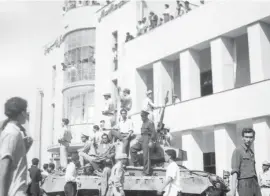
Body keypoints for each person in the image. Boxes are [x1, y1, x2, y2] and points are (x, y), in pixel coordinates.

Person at [0, 97, 32, 196]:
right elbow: (4, 166)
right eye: (25, 110)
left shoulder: (15, 132)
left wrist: (26, 147)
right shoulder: (12, 133)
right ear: (22, 112)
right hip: (15, 192)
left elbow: (15, 162)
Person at [231, 128, 262, 196]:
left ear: (253, 138)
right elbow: (235, 171)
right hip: (244, 183)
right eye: (246, 137)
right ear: (242, 138)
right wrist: (232, 191)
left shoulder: (251, 152)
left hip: (254, 182)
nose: (248, 140)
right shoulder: (238, 151)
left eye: (250, 137)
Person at [130, 110, 156, 176]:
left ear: (146, 116)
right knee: (132, 149)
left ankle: (146, 172)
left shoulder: (150, 123)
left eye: (143, 116)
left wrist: (151, 141)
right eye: (141, 116)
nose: (142, 117)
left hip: (147, 139)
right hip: (142, 138)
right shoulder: (143, 123)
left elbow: (153, 133)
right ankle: (136, 163)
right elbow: (142, 133)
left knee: (146, 155)